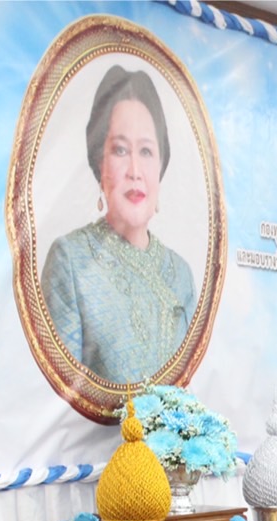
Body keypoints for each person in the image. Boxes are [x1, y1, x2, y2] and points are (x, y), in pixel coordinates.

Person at [41, 65, 196, 385]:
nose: (135, 170)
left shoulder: (181, 275)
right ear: (100, 163)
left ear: (161, 166)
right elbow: (58, 399)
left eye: (146, 151)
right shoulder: (70, 261)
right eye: (121, 150)